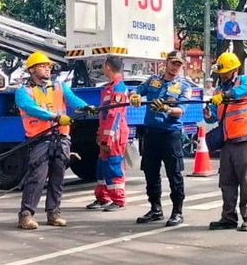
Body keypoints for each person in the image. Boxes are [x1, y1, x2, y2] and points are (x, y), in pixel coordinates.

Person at [14, 52, 90, 230]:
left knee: (58, 177)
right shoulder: (23, 92)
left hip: (61, 138)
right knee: (37, 177)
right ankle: (25, 215)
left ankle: (53, 213)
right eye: (43, 66)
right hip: (39, 139)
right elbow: (31, 109)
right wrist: (56, 117)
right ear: (31, 70)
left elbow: (73, 100)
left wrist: (86, 107)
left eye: (48, 66)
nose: (47, 69)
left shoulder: (59, 86)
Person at [128, 50, 192, 226]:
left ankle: (177, 212)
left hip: (170, 134)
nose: (176, 67)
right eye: (173, 63)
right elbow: (136, 91)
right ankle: (155, 209)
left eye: (179, 64)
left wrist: (167, 109)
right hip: (151, 133)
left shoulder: (184, 86)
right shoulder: (153, 80)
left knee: (174, 174)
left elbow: (181, 111)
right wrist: (133, 95)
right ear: (166, 62)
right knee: (150, 173)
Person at [203, 51, 247, 232]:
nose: (222, 74)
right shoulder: (218, 91)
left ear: (234, 70)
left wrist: (225, 96)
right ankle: (228, 218)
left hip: (244, 140)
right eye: (221, 72)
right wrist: (209, 114)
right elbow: (214, 117)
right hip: (227, 142)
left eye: (225, 71)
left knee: (246, 181)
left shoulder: (244, 81)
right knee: (226, 182)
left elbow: (245, 91)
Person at [87, 56, 130, 212]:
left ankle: (118, 200)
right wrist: (101, 134)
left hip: (115, 134)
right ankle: (103, 197)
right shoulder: (109, 87)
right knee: (102, 167)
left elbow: (115, 115)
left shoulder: (118, 88)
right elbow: (104, 115)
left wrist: (108, 139)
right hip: (107, 134)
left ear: (108, 67)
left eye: (104, 66)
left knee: (113, 165)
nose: (102, 69)